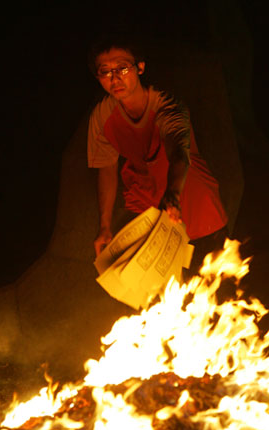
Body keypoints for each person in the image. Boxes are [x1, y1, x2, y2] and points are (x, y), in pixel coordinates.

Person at [87, 35, 228, 275]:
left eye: (122, 68)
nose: (115, 78)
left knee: (208, 297)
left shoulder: (167, 106)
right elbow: (106, 167)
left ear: (140, 67)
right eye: (105, 72)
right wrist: (105, 226)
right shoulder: (102, 116)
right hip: (145, 213)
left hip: (195, 208)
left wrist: (172, 194)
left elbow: (178, 154)